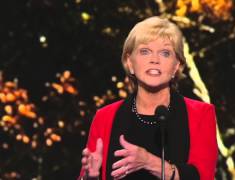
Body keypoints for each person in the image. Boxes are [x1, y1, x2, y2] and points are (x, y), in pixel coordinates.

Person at [78, 16, 218, 180]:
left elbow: (203, 176)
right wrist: (90, 176)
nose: (154, 60)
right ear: (130, 63)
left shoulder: (201, 114)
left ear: (176, 66)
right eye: (145, 51)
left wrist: (149, 162)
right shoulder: (105, 117)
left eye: (165, 53)